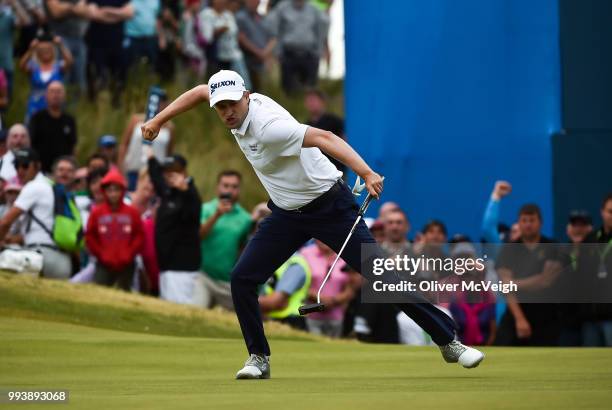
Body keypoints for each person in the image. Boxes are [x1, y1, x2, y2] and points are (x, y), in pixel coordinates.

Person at [141, 69, 484, 380]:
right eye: (221, 106)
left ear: (246, 96)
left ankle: (448, 342)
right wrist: (158, 119)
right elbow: (200, 91)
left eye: (232, 103)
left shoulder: (269, 127)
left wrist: (365, 172)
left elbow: (326, 138)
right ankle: (258, 357)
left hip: (330, 207)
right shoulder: (225, 106)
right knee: (242, 278)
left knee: (382, 276)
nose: (227, 111)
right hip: (288, 215)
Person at [495, 204, 564, 346]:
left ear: (540, 222)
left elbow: (546, 281)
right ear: (519, 223)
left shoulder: (553, 247)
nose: (528, 225)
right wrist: (520, 319)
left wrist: (513, 283)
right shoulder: (509, 250)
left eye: (532, 220)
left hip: (547, 317)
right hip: (515, 315)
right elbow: (505, 288)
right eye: (524, 220)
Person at [0, 149, 73, 279]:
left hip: (41, 257)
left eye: (25, 165)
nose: (20, 171)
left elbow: (5, 222)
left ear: (37, 166)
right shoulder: (49, 186)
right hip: (61, 261)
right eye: (17, 165)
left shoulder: (34, 186)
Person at [147, 151, 202, 305]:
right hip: (167, 266)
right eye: (167, 171)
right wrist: (151, 158)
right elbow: (156, 177)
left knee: (179, 312)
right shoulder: (169, 192)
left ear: (184, 172)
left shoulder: (191, 194)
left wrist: (185, 190)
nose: (170, 175)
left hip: (182, 268)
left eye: (175, 171)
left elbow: (193, 217)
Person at [199, 169, 252, 310]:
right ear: (218, 187)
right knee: (195, 312)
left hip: (227, 281)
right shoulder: (206, 209)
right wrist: (217, 214)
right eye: (226, 185)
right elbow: (198, 236)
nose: (230, 190)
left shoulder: (245, 218)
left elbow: (242, 249)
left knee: (242, 318)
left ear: (239, 189)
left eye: (234, 187)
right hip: (203, 276)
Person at [86, 168, 144, 291]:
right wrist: (101, 253)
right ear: (104, 191)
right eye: (109, 190)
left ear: (122, 191)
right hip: (103, 263)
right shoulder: (97, 213)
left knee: (124, 292)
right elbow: (90, 236)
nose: (113, 194)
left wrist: (129, 253)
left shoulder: (132, 212)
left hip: (127, 263)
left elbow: (139, 235)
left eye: (116, 190)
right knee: (99, 291)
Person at [264, 0, 327, 94]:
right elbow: (272, 27)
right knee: (288, 89)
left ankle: (308, 107)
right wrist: (277, 51)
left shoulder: (314, 9)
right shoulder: (282, 8)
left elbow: (322, 27)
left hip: (309, 54)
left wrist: (318, 51)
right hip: (288, 54)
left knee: (310, 89)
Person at [117, 92, 174, 191]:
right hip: (133, 171)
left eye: (163, 102)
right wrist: (121, 169)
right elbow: (124, 145)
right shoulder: (136, 120)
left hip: (156, 174)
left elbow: (169, 153)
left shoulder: (170, 127)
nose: (160, 105)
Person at [577, 193, 612, 346]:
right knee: (590, 364)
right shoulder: (590, 240)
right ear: (602, 212)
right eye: (610, 211)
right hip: (590, 319)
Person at [301, 240, 353, 337]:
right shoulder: (305, 253)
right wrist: (321, 300)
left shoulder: (345, 254)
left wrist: (333, 301)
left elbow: (352, 286)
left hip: (336, 314)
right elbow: (300, 284)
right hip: (309, 311)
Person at [85, 0, 134, 105]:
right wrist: (119, 14)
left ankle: (116, 104)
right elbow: (94, 14)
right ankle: (98, 106)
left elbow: (129, 13)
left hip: (117, 43)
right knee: (98, 76)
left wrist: (107, 11)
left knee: (119, 76)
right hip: (97, 44)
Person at [19, 32, 73, 121]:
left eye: (48, 50)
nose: (45, 52)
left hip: (55, 106)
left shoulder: (58, 67)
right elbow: (22, 66)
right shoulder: (34, 67)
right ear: (38, 52)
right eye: (42, 50)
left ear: (52, 51)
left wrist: (61, 46)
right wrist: (31, 50)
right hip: (35, 106)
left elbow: (69, 62)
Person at [28, 81, 77, 173]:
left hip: (63, 172)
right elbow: (31, 145)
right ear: (46, 95)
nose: (55, 95)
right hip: (41, 171)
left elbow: (73, 147)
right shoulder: (37, 118)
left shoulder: (69, 120)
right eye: (52, 91)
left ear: (64, 96)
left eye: (59, 92)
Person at [199, 0, 250, 85]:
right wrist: (219, 31)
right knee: (216, 86)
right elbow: (207, 38)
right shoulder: (206, 14)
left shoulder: (228, 15)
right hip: (215, 58)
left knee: (240, 85)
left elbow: (235, 33)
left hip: (232, 56)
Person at [44, 0, 90, 93]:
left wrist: (66, 8)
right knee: (62, 79)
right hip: (60, 39)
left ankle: (77, 107)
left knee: (79, 82)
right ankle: (59, 106)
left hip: (79, 39)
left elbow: (88, 11)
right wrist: (74, 8)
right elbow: (56, 11)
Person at [259, 253, 311, 330]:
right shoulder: (275, 261)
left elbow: (277, 302)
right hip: (275, 320)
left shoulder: (295, 264)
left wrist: (244, 301)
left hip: (292, 321)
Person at [235, 0, 274, 92]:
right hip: (246, 60)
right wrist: (258, 52)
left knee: (260, 91)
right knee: (247, 90)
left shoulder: (262, 18)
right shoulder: (240, 17)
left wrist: (266, 54)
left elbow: (272, 37)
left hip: (260, 62)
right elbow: (241, 38)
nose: (254, 3)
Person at [304, 89, 345, 174]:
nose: (311, 104)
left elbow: (344, 143)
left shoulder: (335, 121)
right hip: (316, 173)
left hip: (336, 171)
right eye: (308, 101)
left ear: (322, 102)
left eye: (313, 100)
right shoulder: (305, 126)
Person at [125, 0, 160, 68]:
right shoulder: (130, 1)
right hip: (133, 38)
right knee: (132, 65)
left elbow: (157, 18)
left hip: (151, 37)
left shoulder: (155, 1)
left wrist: (161, 36)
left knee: (152, 64)